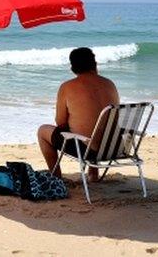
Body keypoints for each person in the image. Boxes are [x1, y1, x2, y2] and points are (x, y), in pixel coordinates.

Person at [37, 47, 119, 182]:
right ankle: (93, 173)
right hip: (113, 147)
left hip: (88, 150)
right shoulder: (109, 84)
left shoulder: (67, 87)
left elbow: (60, 122)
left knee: (42, 131)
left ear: (72, 68)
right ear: (95, 64)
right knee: (95, 127)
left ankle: (56, 177)